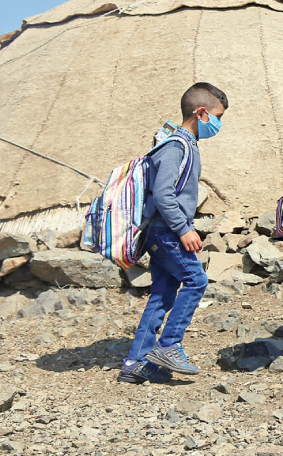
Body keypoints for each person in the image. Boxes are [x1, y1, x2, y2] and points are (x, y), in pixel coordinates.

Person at [119, 82, 228, 384]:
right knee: (196, 280)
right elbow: (165, 195)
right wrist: (184, 229)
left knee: (162, 295)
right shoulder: (174, 146)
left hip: (165, 231)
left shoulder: (185, 145)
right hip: (167, 232)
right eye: (217, 117)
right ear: (201, 112)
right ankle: (169, 345)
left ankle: (136, 364)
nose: (218, 124)